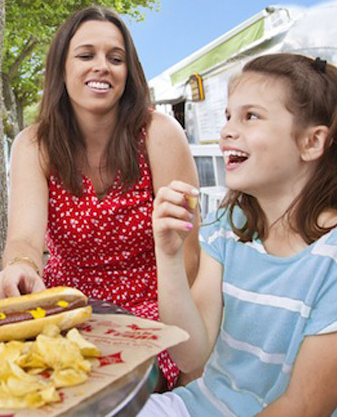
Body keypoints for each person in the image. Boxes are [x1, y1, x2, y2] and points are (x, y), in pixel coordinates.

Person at [0, 6, 200, 389]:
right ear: (61, 69)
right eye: (86, 55)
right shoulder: (33, 144)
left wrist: (149, 327)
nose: (101, 66)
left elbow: (189, 258)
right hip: (65, 307)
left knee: (97, 388)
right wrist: (21, 267)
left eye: (115, 58)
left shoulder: (159, 133)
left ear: (128, 73)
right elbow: (24, 238)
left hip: (149, 313)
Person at [140, 54, 337, 416]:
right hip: (198, 407)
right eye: (229, 116)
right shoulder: (228, 227)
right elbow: (190, 353)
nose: (227, 130)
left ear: (312, 142)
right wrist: (168, 256)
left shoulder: (330, 259)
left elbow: (304, 406)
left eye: (251, 116)